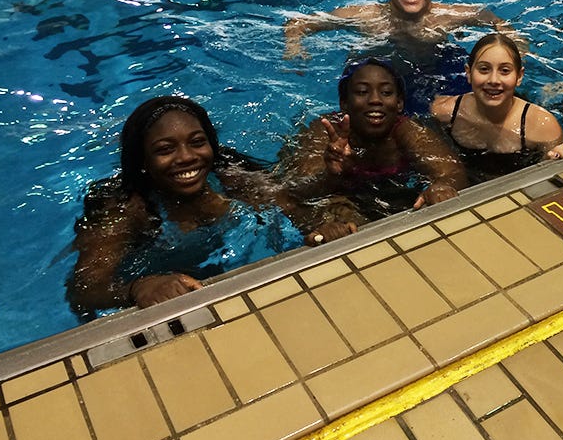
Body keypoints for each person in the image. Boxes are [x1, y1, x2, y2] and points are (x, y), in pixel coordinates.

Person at [67, 96, 355, 316]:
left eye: (197, 142)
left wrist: (320, 229)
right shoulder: (124, 210)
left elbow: (290, 205)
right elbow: (84, 291)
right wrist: (138, 287)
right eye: (165, 150)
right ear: (142, 160)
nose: (187, 157)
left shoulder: (229, 177)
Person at [284, 0, 516, 113]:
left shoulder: (449, 16)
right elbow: (298, 23)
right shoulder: (365, 17)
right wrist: (294, 49)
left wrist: (518, 52)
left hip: (436, 71)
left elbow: (498, 22)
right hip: (381, 83)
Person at [279, 58, 467, 219]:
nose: (375, 100)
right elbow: (295, 195)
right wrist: (331, 174)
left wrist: (442, 186)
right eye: (362, 92)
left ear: (399, 103)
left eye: (386, 92)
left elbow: (453, 172)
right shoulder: (326, 131)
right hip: (342, 198)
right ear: (344, 103)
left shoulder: (407, 131)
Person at [431, 33, 563, 184]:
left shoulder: (543, 127)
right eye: (484, 69)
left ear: (520, 76)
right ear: (469, 73)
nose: (494, 80)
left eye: (505, 71)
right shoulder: (444, 112)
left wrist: (555, 160)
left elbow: (548, 180)